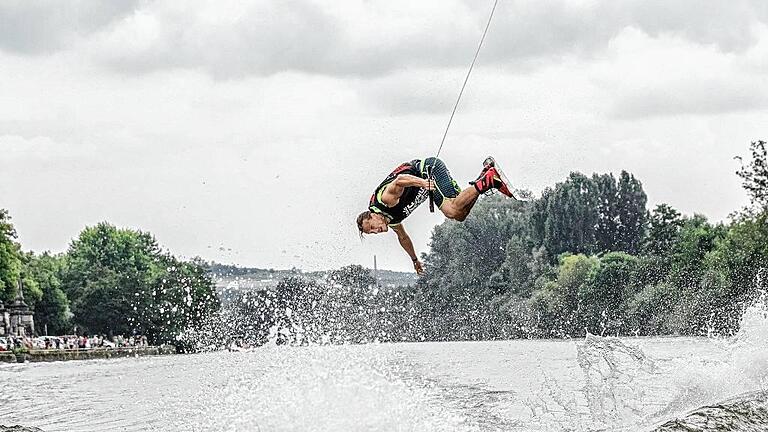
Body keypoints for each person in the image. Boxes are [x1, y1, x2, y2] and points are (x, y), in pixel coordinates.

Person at [356, 156, 514, 274]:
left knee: (451, 210)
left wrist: (423, 183)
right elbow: (403, 238)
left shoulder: (386, 200)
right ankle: (485, 176)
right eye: (372, 233)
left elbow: (399, 180)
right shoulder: (390, 220)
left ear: (373, 215)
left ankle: (491, 179)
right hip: (428, 185)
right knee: (460, 215)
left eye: (372, 227)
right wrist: (415, 260)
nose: (376, 231)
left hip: (429, 170)